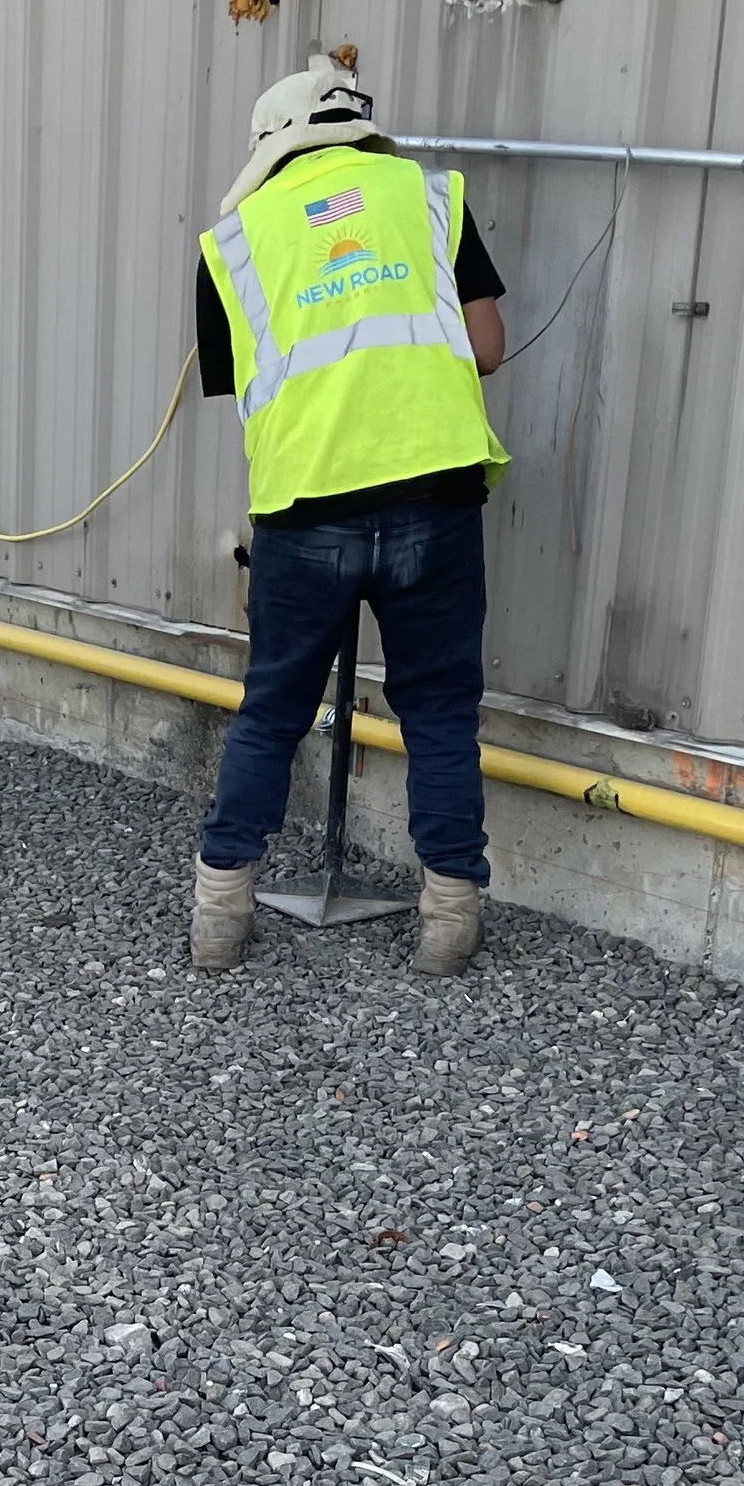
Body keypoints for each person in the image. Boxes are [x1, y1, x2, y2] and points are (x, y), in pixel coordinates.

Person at [190, 63, 507, 980]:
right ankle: (449, 922)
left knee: (272, 711)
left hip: (309, 506)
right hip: (434, 498)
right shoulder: (430, 196)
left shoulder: (238, 240)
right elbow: (485, 347)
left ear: (271, 148)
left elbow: (240, 378)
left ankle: (219, 917)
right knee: (441, 711)